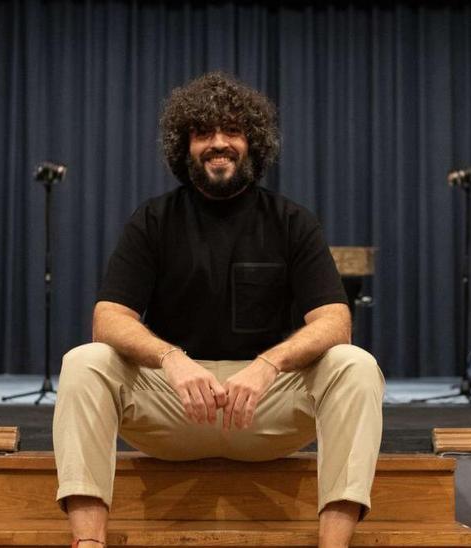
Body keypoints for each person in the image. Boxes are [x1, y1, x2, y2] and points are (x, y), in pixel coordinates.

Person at [52, 71, 384, 548]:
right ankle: (88, 544)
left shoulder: (292, 221)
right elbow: (109, 317)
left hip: (265, 409)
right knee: (85, 361)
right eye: (203, 133)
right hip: (175, 405)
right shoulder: (152, 220)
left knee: (354, 364)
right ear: (183, 146)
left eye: (231, 131)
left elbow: (336, 320)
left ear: (253, 142)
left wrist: (269, 364)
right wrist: (172, 359)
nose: (218, 143)